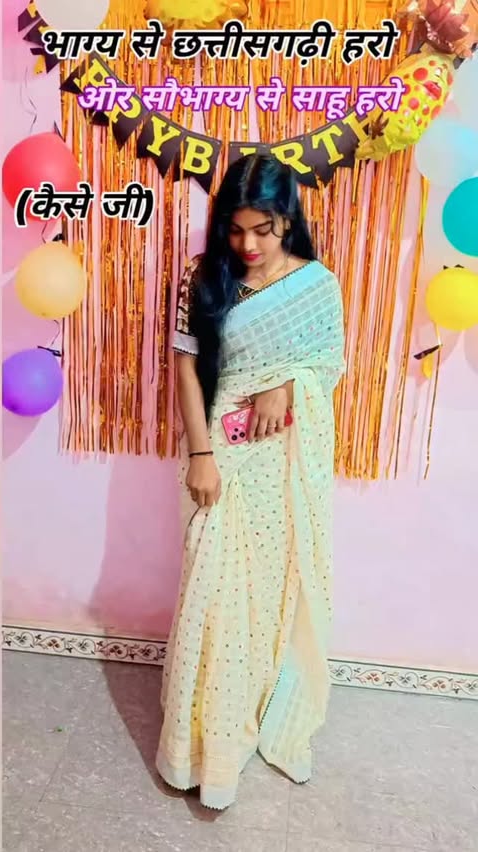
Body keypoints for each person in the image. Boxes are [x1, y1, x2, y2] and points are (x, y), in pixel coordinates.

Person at [155, 153, 345, 810]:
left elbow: (328, 366)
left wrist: (286, 385)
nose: (249, 245)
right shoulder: (201, 276)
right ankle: (194, 746)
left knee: (263, 594)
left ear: (287, 218)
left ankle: (244, 714)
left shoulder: (316, 285)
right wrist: (200, 454)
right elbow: (185, 370)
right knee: (211, 588)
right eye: (236, 230)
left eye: (263, 229)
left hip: (279, 461)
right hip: (220, 453)